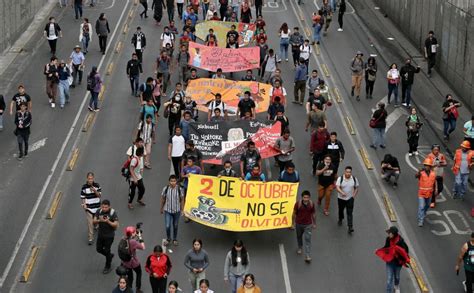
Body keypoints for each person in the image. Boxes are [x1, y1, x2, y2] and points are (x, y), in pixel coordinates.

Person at [375, 226, 410, 293]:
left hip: (398, 263)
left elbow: (405, 251)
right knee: (389, 279)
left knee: (397, 277)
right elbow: (386, 248)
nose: (388, 234)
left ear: (393, 234)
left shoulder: (400, 242)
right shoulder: (388, 239)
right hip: (390, 262)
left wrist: (405, 259)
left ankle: (396, 286)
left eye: (390, 233)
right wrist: (379, 250)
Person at [93, 199, 119, 274]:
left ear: (109, 207)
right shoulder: (99, 211)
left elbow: (115, 224)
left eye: (106, 207)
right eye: (103, 207)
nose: (104, 209)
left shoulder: (112, 213)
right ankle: (109, 256)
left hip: (109, 236)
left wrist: (108, 221)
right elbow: (93, 221)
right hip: (101, 235)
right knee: (98, 249)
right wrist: (99, 220)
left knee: (107, 250)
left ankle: (108, 266)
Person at [291, 190, 316, 263]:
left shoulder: (311, 204)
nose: (306, 199)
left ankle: (307, 255)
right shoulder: (297, 204)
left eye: (307, 197)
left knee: (308, 239)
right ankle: (300, 247)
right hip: (298, 224)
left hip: (308, 225)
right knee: (299, 236)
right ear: (302, 197)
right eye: (304, 197)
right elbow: (294, 214)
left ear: (309, 197)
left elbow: (313, 214)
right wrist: (292, 223)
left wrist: (314, 223)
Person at [160, 175, 184, 246]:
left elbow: (182, 199)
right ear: (169, 181)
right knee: (167, 226)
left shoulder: (179, 189)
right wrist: (161, 208)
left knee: (175, 225)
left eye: (174, 181)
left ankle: (175, 239)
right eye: (171, 181)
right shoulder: (166, 189)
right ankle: (168, 239)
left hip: (177, 211)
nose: (173, 182)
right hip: (168, 210)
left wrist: (182, 209)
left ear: (176, 182)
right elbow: (163, 199)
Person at [121, 226, 145, 293]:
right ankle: (138, 289)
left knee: (130, 276)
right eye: (134, 232)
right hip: (134, 262)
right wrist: (140, 237)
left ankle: (129, 289)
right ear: (132, 234)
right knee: (139, 273)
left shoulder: (123, 239)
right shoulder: (133, 242)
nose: (135, 233)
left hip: (125, 262)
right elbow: (143, 247)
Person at [80, 172, 102, 245]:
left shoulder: (97, 185)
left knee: (96, 221)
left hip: (97, 207)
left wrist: (95, 190)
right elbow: (83, 197)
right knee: (90, 223)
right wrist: (84, 204)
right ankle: (90, 238)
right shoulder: (84, 187)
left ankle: (96, 225)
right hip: (89, 208)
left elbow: (99, 196)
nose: (90, 180)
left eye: (91, 178)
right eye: (89, 179)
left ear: (93, 178)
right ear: (87, 179)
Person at [335, 166, 358, 234]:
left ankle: (350, 227)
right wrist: (342, 192)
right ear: (344, 172)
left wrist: (353, 195)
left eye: (349, 172)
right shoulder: (340, 178)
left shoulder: (354, 179)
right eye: (347, 172)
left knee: (350, 213)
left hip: (350, 199)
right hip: (341, 198)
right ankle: (340, 218)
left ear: (351, 172)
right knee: (341, 210)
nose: (348, 173)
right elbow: (337, 187)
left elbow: (356, 187)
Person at [416, 158, 437, 227]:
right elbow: (416, 176)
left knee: (427, 205)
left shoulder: (433, 174)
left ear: (430, 166)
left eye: (428, 165)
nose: (426, 167)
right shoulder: (421, 173)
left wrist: (436, 189)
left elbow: (434, 182)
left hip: (429, 193)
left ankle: (423, 213)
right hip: (421, 193)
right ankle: (420, 220)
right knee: (421, 207)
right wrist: (418, 172)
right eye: (425, 165)